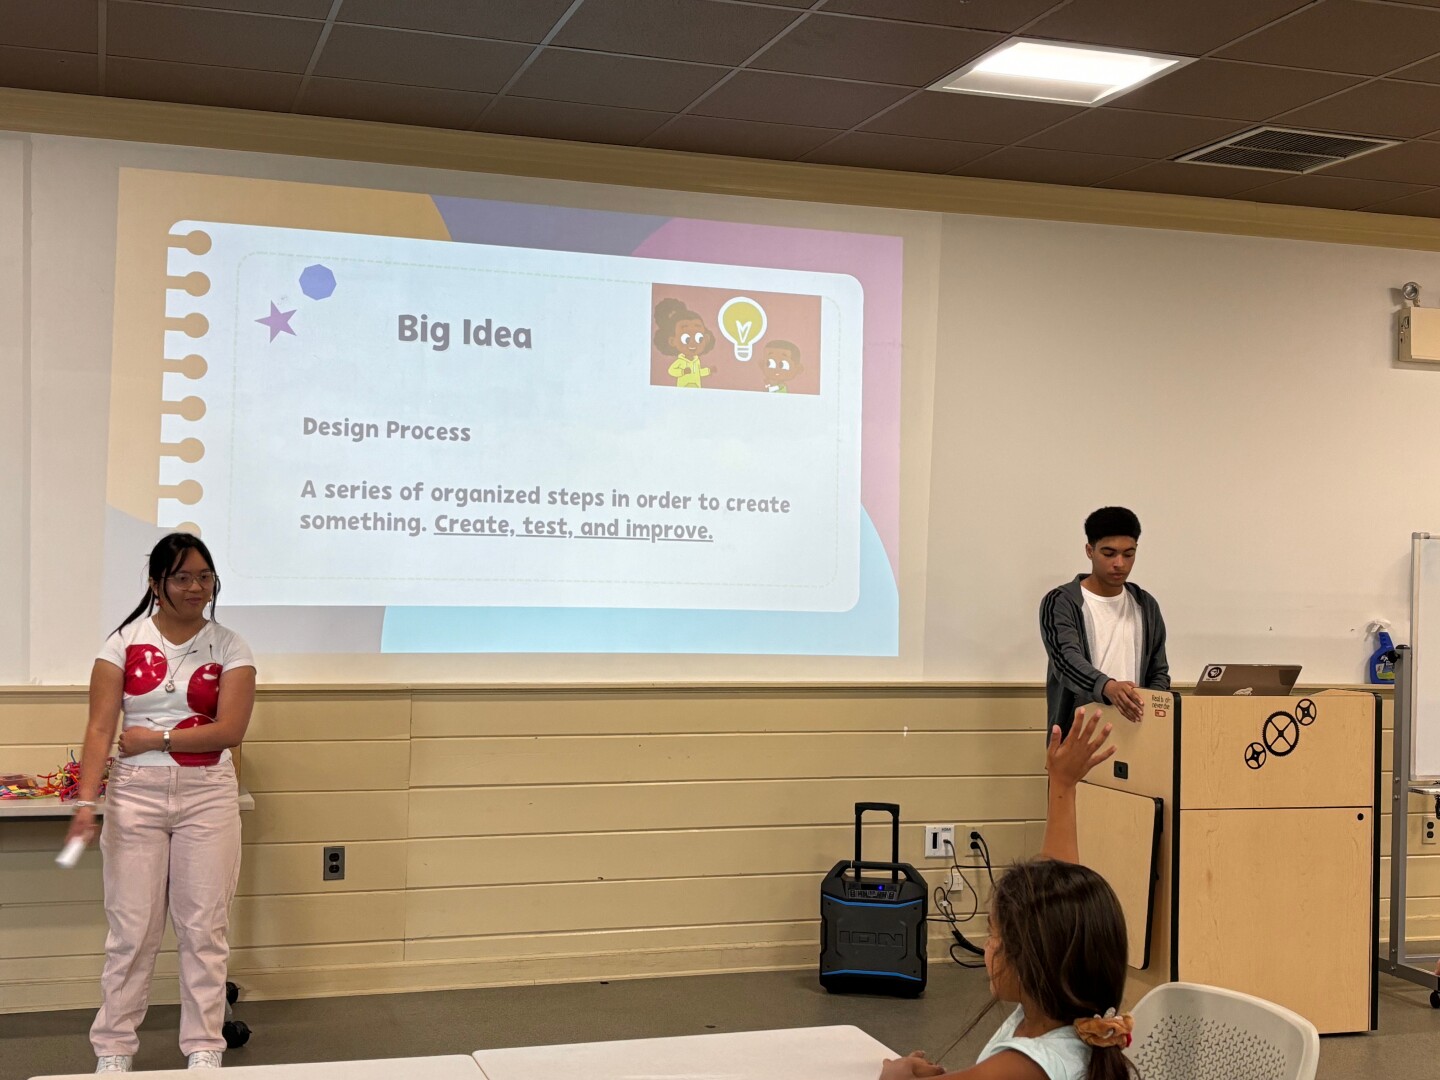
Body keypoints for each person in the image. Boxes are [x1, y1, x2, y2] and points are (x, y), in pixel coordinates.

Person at [67, 533, 256, 1072]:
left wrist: (159, 739)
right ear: (156, 584)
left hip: (208, 796)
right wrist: (86, 802)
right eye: (182, 578)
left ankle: (203, 1047)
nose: (196, 588)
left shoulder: (231, 646)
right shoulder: (122, 643)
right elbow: (101, 727)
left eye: (204, 577)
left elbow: (230, 730)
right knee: (131, 930)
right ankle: (114, 1049)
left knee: (203, 928)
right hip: (135, 797)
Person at [878, 709, 1137, 1080]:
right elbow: (1055, 900)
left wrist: (898, 1071)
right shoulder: (1058, 1024)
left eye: (994, 934)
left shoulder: (1026, 1066)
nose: (988, 945)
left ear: (1032, 960)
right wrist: (1062, 784)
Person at [1040, 507, 1169, 735]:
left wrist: (1153, 706)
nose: (1119, 563)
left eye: (1129, 554)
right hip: (1078, 737)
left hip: (1136, 735)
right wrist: (1108, 687)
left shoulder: (1146, 605)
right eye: (1109, 554)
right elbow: (1066, 661)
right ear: (1090, 550)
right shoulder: (1061, 601)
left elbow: (1158, 671)